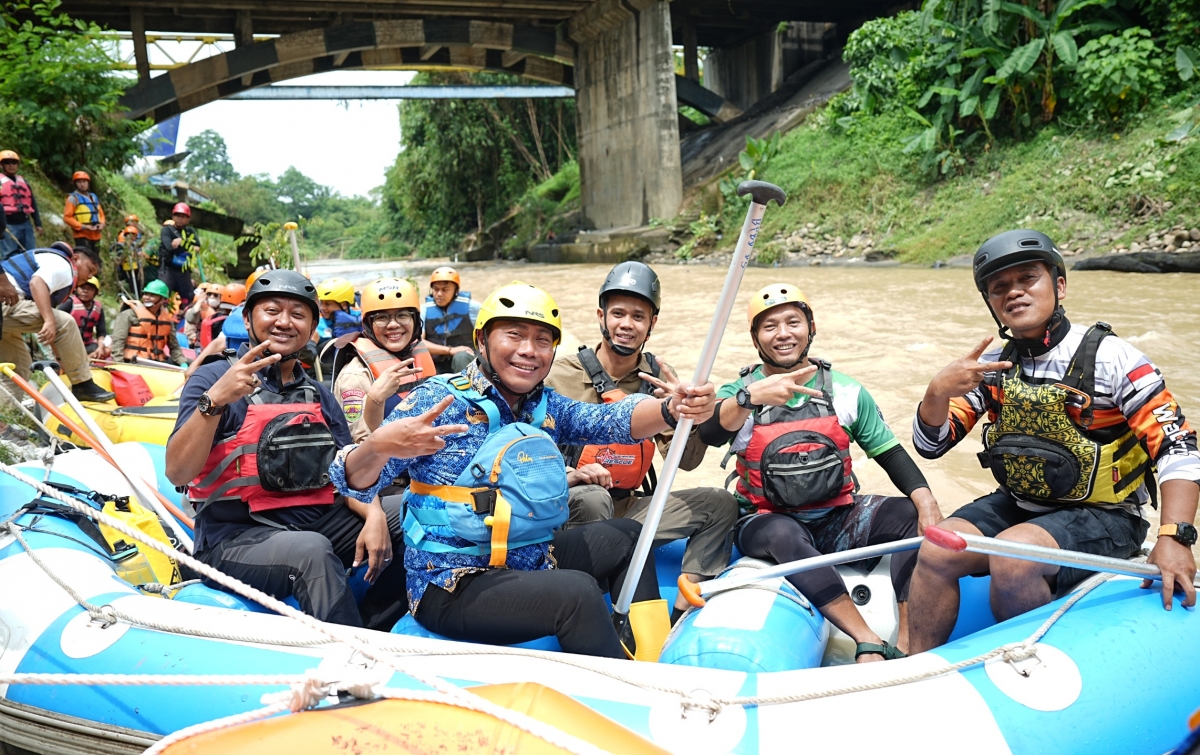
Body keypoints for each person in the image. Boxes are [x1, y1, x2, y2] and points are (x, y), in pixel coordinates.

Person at [332, 282, 719, 659]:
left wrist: (673, 409)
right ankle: (633, 691)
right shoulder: (437, 400)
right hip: (450, 583)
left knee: (627, 537)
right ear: (482, 341)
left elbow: (611, 420)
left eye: (542, 340)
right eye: (514, 335)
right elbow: (352, 481)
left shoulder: (543, 405)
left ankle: (652, 658)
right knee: (576, 592)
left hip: (527, 558)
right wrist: (378, 446)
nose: (528, 351)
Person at [906, 229, 1199, 653]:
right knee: (936, 549)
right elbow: (933, 444)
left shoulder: (1113, 357)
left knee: (1013, 555)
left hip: (1108, 515)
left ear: (1059, 285)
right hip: (1020, 503)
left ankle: (1028, 665)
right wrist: (936, 392)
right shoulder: (989, 367)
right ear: (991, 303)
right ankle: (916, 666)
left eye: (1028, 278)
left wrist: (1174, 536)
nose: (1014, 293)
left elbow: (1177, 446)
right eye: (999, 287)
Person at [697, 283, 942, 661]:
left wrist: (926, 503)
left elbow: (889, 453)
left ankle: (909, 641)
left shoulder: (844, 390)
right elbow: (710, 432)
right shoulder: (740, 392)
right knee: (782, 533)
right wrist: (751, 397)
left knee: (908, 515)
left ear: (811, 328)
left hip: (836, 517)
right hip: (765, 523)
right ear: (756, 338)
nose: (783, 334)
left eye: (793, 322)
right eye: (769, 326)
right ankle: (867, 638)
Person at [165, 270, 408, 629]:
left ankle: (382, 625)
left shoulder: (316, 393)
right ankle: (353, 665)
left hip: (319, 522)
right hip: (235, 537)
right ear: (248, 318)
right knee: (311, 550)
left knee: (412, 508)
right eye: (272, 310)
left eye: (298, 314)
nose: (284, 322)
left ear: (312, 329)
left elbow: (346, 471)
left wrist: (373, 514)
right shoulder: (212, 378)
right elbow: (178, 472)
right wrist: (214, 401)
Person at [545, 261, 738, 625]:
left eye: (638, 316)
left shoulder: (659, 381)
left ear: (652, 324)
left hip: (629, 507)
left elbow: (688, 461)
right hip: (570, 508)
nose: (626, 324)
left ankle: (685, 608)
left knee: (720, 503)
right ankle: (586, 600)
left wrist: (691, 417)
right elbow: (527, 454)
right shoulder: (560, 375)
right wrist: (572, 472)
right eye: (618, 313)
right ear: (601, 316)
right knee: (593, 496)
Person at [0, 242, 115, 402]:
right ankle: (83, 385)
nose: (90, 276)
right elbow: (36, 283)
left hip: (7, 312)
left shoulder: (49, 264)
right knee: (66, 322)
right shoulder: (64, 265)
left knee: (19, 366)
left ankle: (4, 415)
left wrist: (60, 360)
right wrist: (49, 320)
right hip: (7, 301)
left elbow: (55, 333)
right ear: (76, 259)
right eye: (90, 269)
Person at [332, 278, 434, 443]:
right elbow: (361, 446)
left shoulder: (415, 356)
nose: (393, 324)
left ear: (416, 321)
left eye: (402, 315)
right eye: (382, 317)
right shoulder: (354, 376)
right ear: (368, 324)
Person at [110, 279, 186, 366]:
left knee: (191, 363)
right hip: (135, 361)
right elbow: (118, 344)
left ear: (162, 300)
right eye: (145, 294)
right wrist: (120, 365)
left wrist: (183, 363)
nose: (146, 297)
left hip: (158, 362)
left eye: (152, 295)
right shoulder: (128, 315)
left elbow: (174, 348)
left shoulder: (167, 321)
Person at [422, 267, 480, 374]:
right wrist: (450, 350)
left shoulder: (472, 308)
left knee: (461, 357)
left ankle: (469, 389)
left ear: (456, 291)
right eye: (436, 289)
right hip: (437, 364)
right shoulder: (424, 310)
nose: (439, 294)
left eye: (445, 289)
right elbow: (418, 344)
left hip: (465, 361)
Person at [157, 203, 198, 311]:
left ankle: (183, 321)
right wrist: (188, 246)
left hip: (184, 271)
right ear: (173, 217)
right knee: (162, 295)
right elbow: (169, 247)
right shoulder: (166, 230)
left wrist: (181, 242)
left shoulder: (190, 232)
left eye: (183, 216)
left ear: (188, 219)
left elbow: (197, 248)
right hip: (168, 269)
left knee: (188, 298)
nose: (180, 219)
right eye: (178, 215)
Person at [0, 150, 41, 259]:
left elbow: (32, 202)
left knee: (30, 253)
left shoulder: (24, 181)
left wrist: (38, 223)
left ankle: (29, 275)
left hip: (25, 223)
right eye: (7, 163)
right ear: (2, 165)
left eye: (14, 163)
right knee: (10, 255)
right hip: (8, 225)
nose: (11, 165)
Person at [58, 276, 110, 359]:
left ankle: (86, 360)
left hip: (86, 345)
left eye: (90, 289)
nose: (85, 291)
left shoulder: (98, 308)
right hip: (68, 345)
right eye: (82, 288)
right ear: (76, 289)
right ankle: (84, 361)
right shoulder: (68, 303)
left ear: (95, 292)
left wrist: (100, 347)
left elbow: (101, 332)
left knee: (106, 350)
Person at [63, 171, 106, 253]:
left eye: (84, 182)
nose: (82, 184)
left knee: (95, 261)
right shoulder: (73, 198)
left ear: (88, 183)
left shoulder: (93, 197)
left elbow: (101, 215)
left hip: (96, 235)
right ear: (75, 184)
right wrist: (84, 227)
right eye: (79, 182)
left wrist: (102, 224)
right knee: (85, 260)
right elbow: (67, 217)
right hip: (82, 235)